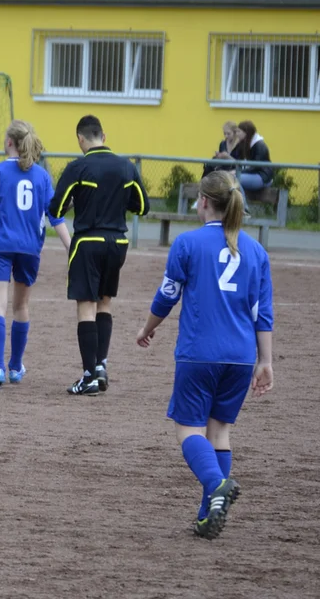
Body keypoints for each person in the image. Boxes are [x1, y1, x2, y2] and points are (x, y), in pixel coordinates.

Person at [135, 170, 273, 539]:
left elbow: (167, 296)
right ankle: (207, 515)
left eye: (198, 199)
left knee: (187, 430)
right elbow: (263, 314)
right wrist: (266, 361)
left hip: (200, 353)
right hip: (241, 357)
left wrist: (147, 328)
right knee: (219, 432)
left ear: (205, 202)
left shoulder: (188, 244)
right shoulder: (257, 251)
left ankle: (217, 485)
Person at [0, 120, 71, 388]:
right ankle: (15, 368)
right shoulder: (42, 176)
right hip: (29, 248)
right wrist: (71, 248)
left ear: (9, 142)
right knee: (21, 306)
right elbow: (55, 216)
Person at [48, 115, 150, 396]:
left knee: (86, 306)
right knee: (105, 303)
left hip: (88, 242)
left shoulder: (78, 167)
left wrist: (73, 203)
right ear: (103, 136)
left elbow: (55, 210)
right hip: (117, 242)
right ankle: (101, 367)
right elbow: (142, 206)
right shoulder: (126, 167)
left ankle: (88, 375)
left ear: (81, 139)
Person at [235, 120, 273, 191]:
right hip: (251, 175)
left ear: (246, 132)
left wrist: (238, 172)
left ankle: (242, 202)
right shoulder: (244, 144)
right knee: (230, 179)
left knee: (234, 180)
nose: (237, 134)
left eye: (239, 131)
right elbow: (238, 159)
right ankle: (240, 201)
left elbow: (256, 166)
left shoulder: (260, 145)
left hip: (262, 176)